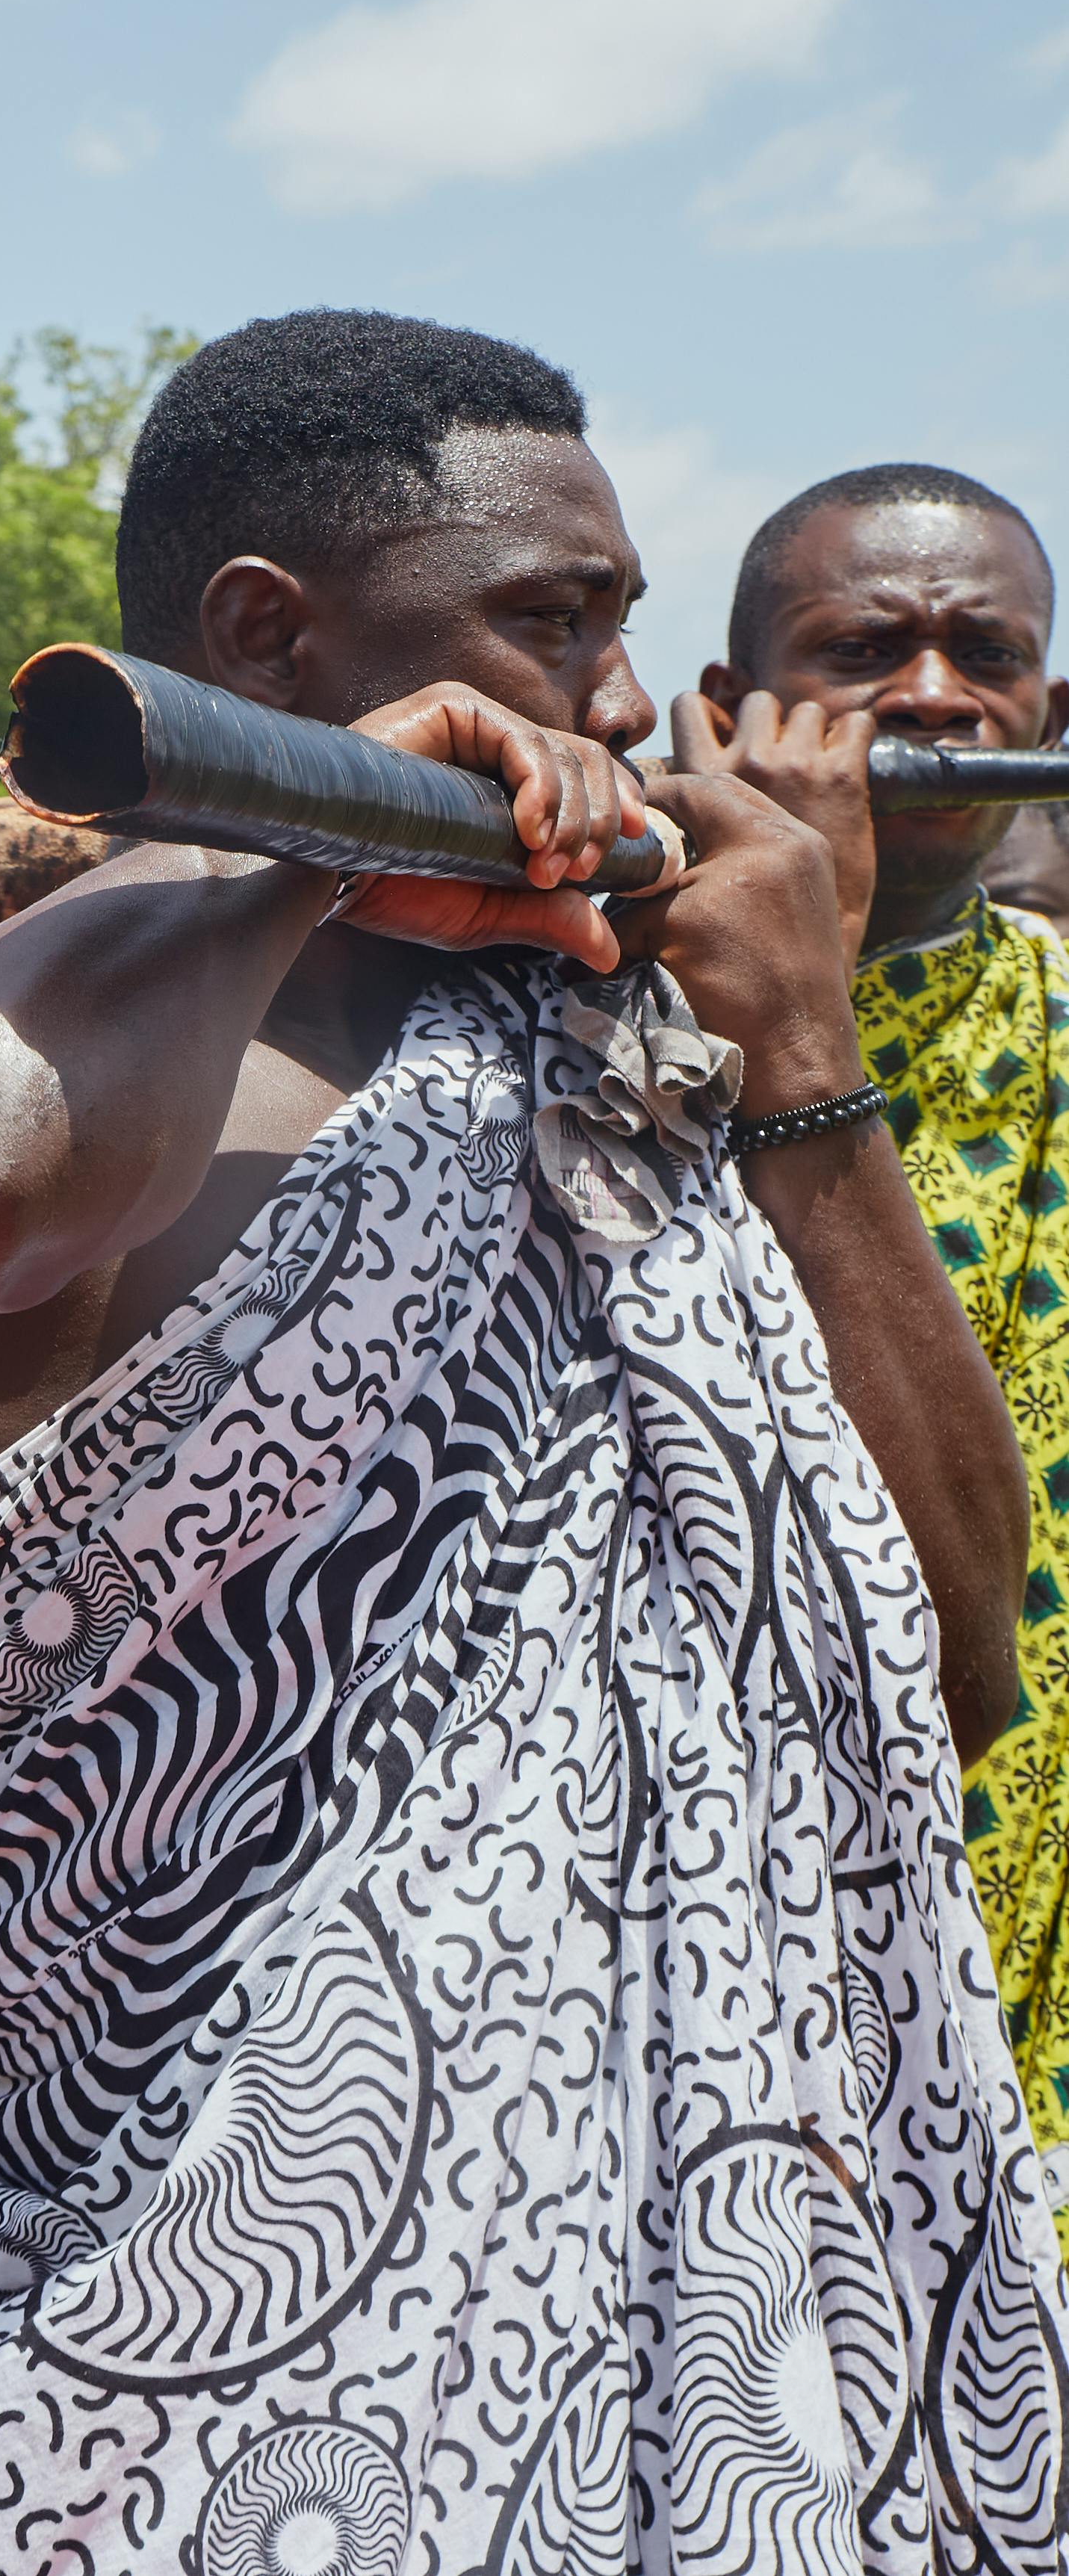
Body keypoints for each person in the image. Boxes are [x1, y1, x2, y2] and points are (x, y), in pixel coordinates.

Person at [0, 312, 1067, 2569]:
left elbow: (954, 1654)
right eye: (552, 624)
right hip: (97, 2449)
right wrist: (281, 854)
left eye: (624, 629)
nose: (623, 708)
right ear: (270, 635)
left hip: (673, 2423)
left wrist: (806, 1057)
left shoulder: (636, 1063)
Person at [699, 460, 1069, 2248]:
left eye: (982, 655)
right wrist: (788, 963)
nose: (931, 699)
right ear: (726, 713)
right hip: (728, 1952)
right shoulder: (596, 1024)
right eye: (863, 650)